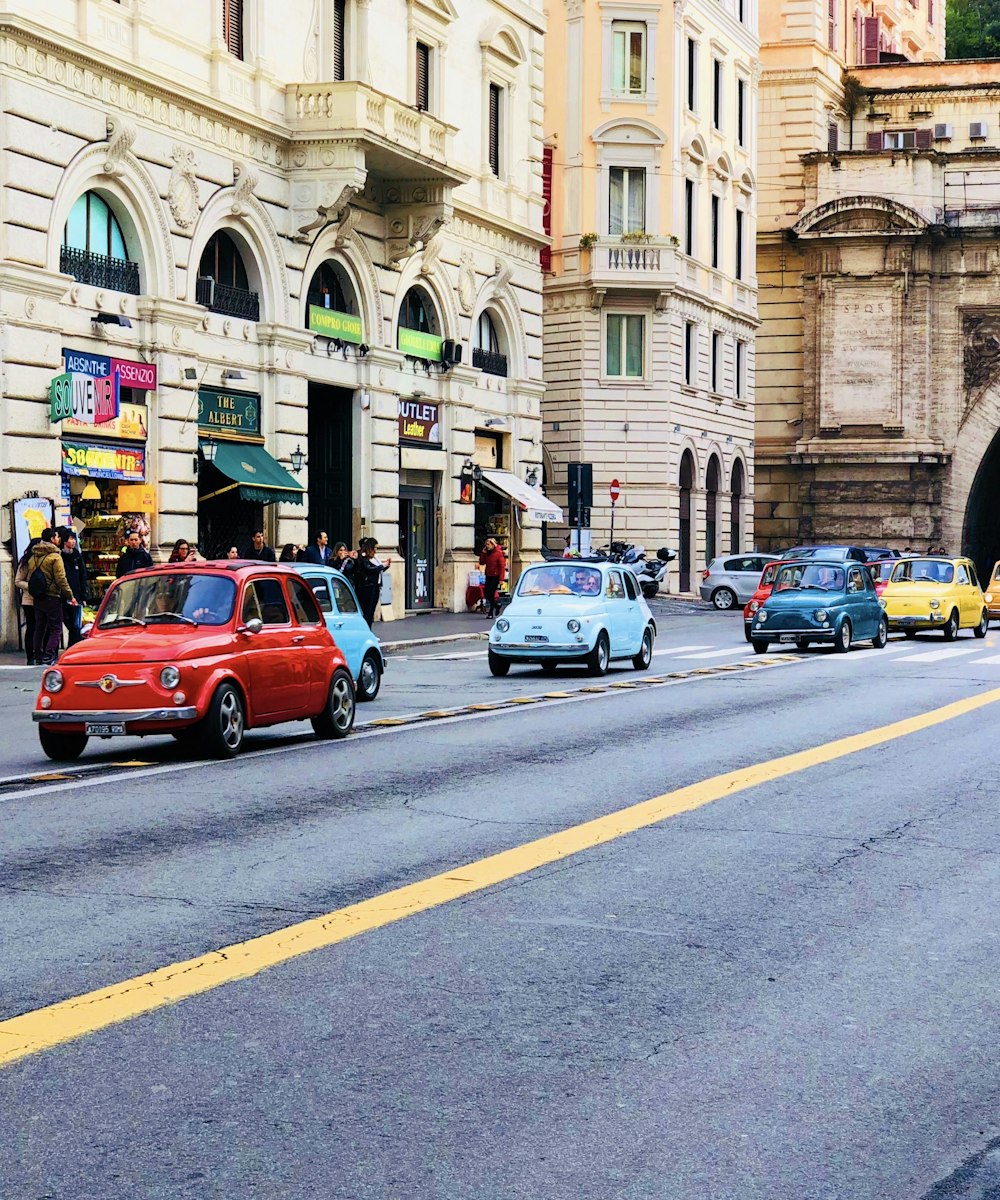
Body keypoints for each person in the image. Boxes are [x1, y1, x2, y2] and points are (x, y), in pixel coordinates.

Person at [28, 528, 77, 666]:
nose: (59, 539)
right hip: (52, 596)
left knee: (40, 627)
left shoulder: (33, 557)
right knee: (56, 628)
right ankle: (48, 655)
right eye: (57, 537)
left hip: (38, 597)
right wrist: (70, 596)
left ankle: (38, 655)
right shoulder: (55, 557)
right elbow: (61, 579)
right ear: (52, 540)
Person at [14, 537, 41, 665]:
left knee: (41, 627)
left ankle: (39, 653)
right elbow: (18, 581)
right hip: (29, 600)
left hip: (42, 599)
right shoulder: (25, 562)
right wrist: (30, 586)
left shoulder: (44, 560)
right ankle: (30, 656)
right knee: (31, 627)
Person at [59, 527, 89, 646]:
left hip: (76, 595)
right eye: (71, 539)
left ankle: (73, 646)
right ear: (65, 541)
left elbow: (83, 575)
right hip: (63, 595)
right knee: (67, 620)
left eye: (74, 539)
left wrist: (84, 594)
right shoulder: (59, 556)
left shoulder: (77, 556)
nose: (73, 541)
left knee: (75, 625)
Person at [353, 537, 390, 628]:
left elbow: (377, 570)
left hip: (375, 586)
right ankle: (365, 630)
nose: (376, 550)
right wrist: (382, 566)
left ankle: (369, 629)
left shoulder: (375, 558)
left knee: (372, 610)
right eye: (375, 547)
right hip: (367, 587)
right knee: (367, 611)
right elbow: (369, 570)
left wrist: (385, 566)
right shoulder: (364, 557)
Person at [479, 536, 507, 618]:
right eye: (486, 544)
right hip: (488, 575)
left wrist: (501, 579)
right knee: (486, 593)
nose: (487, 546)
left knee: (491, 593)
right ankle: (496, 605)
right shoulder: (487, 553)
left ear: (492, 544)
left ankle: (491, 612)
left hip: (495, 576)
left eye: (488, 544)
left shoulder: (498, 553)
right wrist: (483, 553)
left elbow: (502, 566)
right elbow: (482, 563)